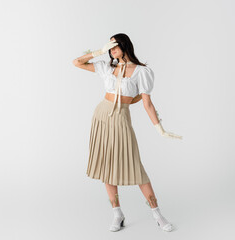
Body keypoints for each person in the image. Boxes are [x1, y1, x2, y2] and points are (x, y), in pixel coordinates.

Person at [72, 33, 182, 232]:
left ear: (125, 46)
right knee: (106, 166)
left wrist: (160, 128)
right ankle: (117, 214)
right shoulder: (107, 67)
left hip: (122, 117)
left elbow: (147, 103)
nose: (111, 49)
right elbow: (76, 62)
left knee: (136, 167)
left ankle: (157, 214)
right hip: (101, 116)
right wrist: (100, 51)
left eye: (114, 45)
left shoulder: (142, 71)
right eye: (109, 46)